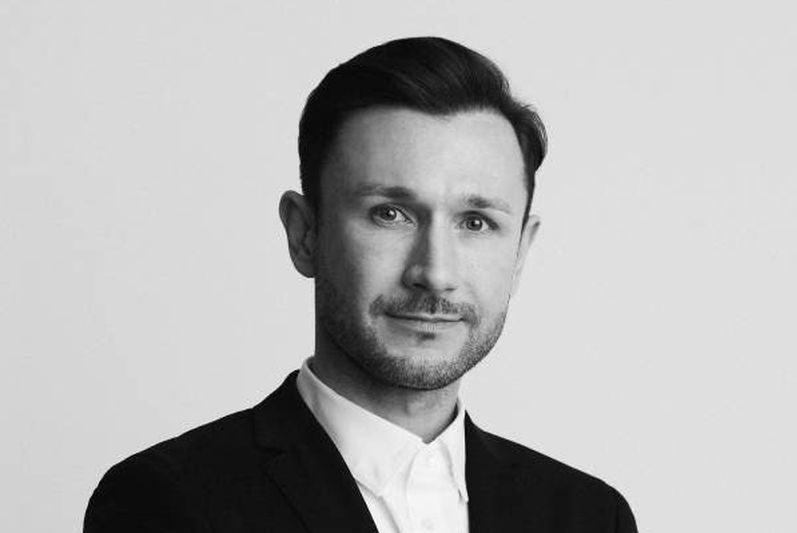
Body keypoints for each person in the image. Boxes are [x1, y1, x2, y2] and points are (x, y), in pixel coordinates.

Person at [84, 36, 637, 533]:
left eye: (476, 223)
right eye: (389, 214)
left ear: (520, 252)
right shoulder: (166, 502)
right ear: (304, 234)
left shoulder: (590, 517)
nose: (435, 273)